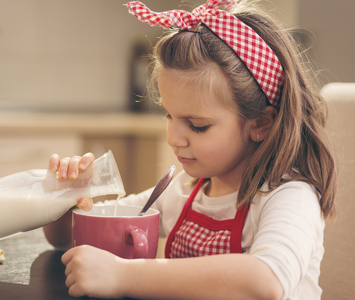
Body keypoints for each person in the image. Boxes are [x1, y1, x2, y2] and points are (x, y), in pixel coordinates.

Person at [43, 0, 337, 299]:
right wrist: (67, 200)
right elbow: (72, 243)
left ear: (260, 124)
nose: (173, 137)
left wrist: (124, 275)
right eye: (169, 115)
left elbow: (265, 282)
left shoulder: (289, 197)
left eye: (197, 125)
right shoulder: (179, 192)